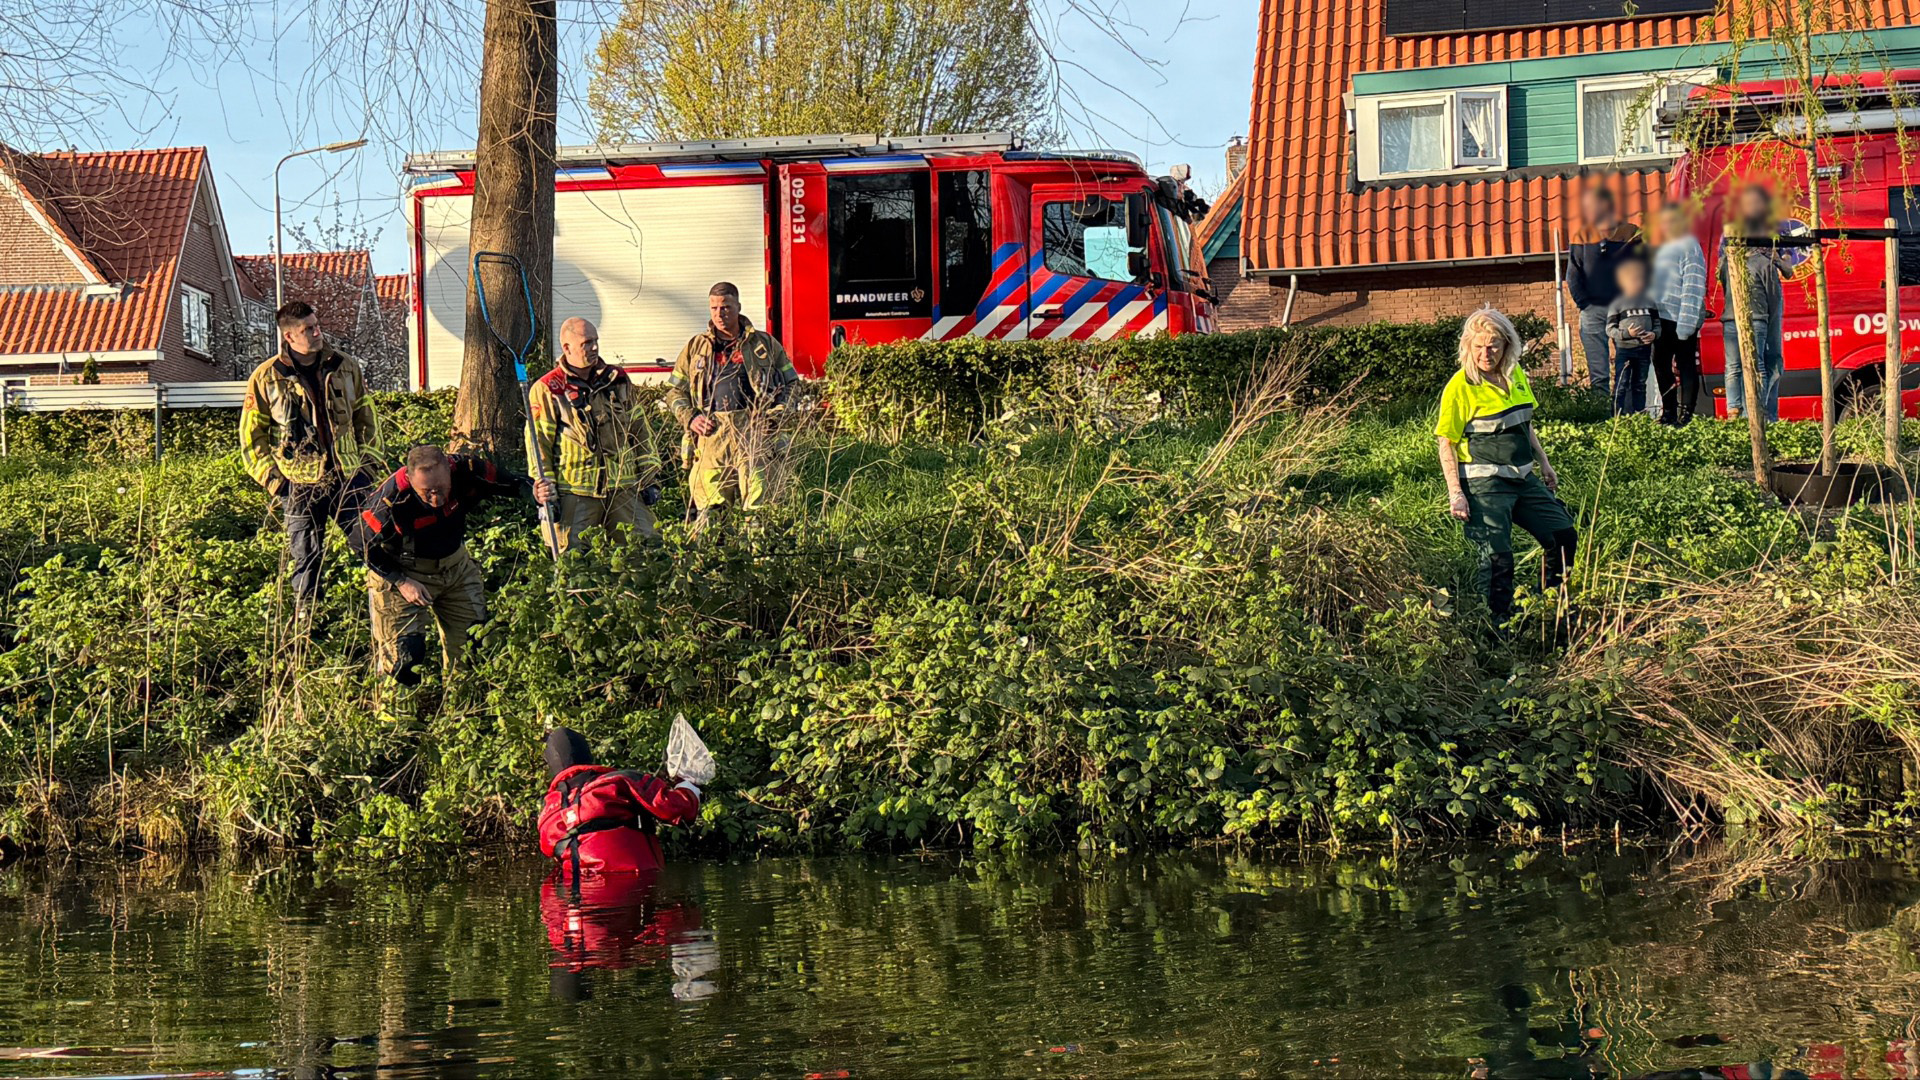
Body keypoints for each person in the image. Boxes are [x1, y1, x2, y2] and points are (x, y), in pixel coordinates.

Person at [352, 444, 553, 685]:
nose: (436, 498)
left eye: (441, 489)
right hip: (403, 573)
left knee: (472, 646)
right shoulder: (389, 500)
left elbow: (509, 482)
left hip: (455, 568)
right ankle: (395, 719)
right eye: (427, 492)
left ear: (449, 470)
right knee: (404, 659)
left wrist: (534, 492)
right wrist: (402, 582)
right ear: (410, 478)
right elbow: (360, 545)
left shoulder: (467, 469)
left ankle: (459, 710)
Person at [239, 300, 383, 619]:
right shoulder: (265, 378)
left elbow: (367, 418)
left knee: (375, 545)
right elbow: (251, 439)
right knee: (306, 561)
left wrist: (367, 469)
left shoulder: (346, 365)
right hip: (299, 485)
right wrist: (278, 484)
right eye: (308, 329)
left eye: (317, 325)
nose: (318, 333)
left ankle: (386, 617)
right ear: (289, 337)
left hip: (348, 478)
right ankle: (308, 629)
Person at [1436, 307, 1579, 621]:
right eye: (1478, 347)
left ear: (1507, 346)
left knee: (1563, 536)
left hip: (1523, 478)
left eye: (1493, 346)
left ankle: (1549, 608)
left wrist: (1545, 463)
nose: (1486, 354)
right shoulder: (1460, 386)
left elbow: (1524, 425)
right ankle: (1495, 631)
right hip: (1484, 484)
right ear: (1468, 348)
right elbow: (1445, 441)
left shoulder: (1515, 377)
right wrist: (1455, 494)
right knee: (1498, 561)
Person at [527, 317, 663, 555]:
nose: (594, 348)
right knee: (573, 560)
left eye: (596, 341)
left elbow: (640, 428)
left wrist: (649, 477)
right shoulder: (549, 387)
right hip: (576, 493)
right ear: (567, 348)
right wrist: (546, 490)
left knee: (645, 551)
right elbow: (539, 444)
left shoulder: (617, 379)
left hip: (623, 487)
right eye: (587, 343)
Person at [666, 282, 800, 521]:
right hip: (711, 437)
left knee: (759, 510)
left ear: (738, 307)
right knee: (710, 513)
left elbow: (792, 384)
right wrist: (691, 417)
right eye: (714, 308)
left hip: (754, 434)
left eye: (726, 307)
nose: (720, 313)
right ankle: (713, 558)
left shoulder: (764, 344)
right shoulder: (696, 347)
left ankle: (760, 556)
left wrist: (777, 415)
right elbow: (674, 393)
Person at [538, 727, 702, 878]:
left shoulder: (546, 816)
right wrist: (688, 785)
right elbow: (678, 807)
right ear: (587, 755)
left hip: (575, 896)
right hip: (634, 884)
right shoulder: (619, 781)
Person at [1567, 186, 1644, 397]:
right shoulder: (1582, 235)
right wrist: (1585, 304)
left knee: (1626, 365)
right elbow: (1573, 273)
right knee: (1598, 371)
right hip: (1593, 311)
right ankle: (1601, 417)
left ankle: (1626, 415)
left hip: (1624, 311)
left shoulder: (1630, 232)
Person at [1721, 183, 1786, 423]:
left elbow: (1783, 269)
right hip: (1752, 310)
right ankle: (1754, 411)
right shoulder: (1740, 241)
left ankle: (1752, 411)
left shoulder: (1768, 231)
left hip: (1750, 308)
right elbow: (1726, 275)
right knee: (1757, 362)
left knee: (1757, 361)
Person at [1649, 201, 1708, 426]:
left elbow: (1693, 285)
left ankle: (1686, 416)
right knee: (1661, 365)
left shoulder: (1689, 246)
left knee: (1685, 366)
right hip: (1661, 318)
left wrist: (1686, 324)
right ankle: (1668, 413)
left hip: (1682, 317)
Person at [1606, 258, 1658, 417]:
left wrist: (1654, 334)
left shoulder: (1650, 302)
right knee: (1621, 385)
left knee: (1640, 385)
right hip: (1625, 351)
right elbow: (1610, 329)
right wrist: (1627, 334)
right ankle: (1616, 417)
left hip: (1644, 350)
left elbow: (1657, 323)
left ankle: (1640, 417)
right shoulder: (1617, 303)